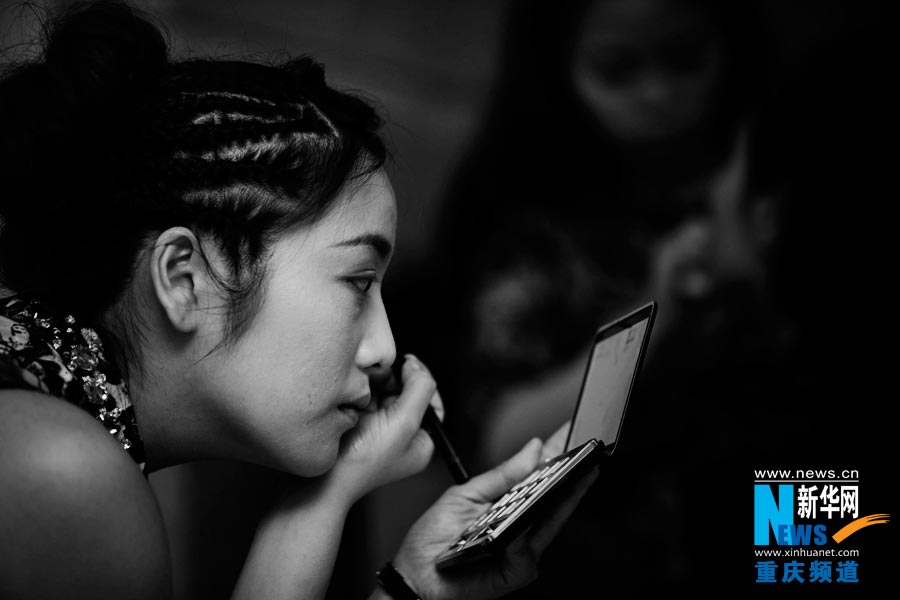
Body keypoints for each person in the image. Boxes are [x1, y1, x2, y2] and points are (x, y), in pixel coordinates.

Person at [0, 2, 598, 599]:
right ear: (185, 279)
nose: (385, 350)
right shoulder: (61, 472)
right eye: (358, 282)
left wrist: (384, 556)